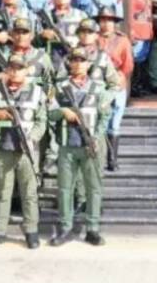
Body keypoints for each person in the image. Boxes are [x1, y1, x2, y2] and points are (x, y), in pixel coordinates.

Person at [47, 47, 110, 247]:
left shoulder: (98, 88)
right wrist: (63, 111)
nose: (78, 63)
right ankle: (65, 227)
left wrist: (98, 137)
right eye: (74, 60)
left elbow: (105, 115)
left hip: (90, 144)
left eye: (82, 60)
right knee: (65, 188)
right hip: (68, 144)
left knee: (94, 188)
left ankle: (93, 228)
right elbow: (49, 114)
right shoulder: (60, 87)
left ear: (89, 64)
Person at [0, 56, 47, 249]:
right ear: (8, 71)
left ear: (27, 71)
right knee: (2, 192)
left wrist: (33, 137)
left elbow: (41, 121)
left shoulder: (37, 92)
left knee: (29, 193)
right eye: (12, 68)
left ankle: (31, 231)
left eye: (20, 68)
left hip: (27, 150)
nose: (16, 72)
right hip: (4, 148)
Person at [97, 8, 132, 171]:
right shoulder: (94, 38)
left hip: (117, 82)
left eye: (109, 20)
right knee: (99, 122)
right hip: (98, 84)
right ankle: (99, 157)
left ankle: (113, 159)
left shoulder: (122, 40)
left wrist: (119, 77)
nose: (106, 23)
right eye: (103, 20)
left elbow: (128, 64)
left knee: (114, 123)